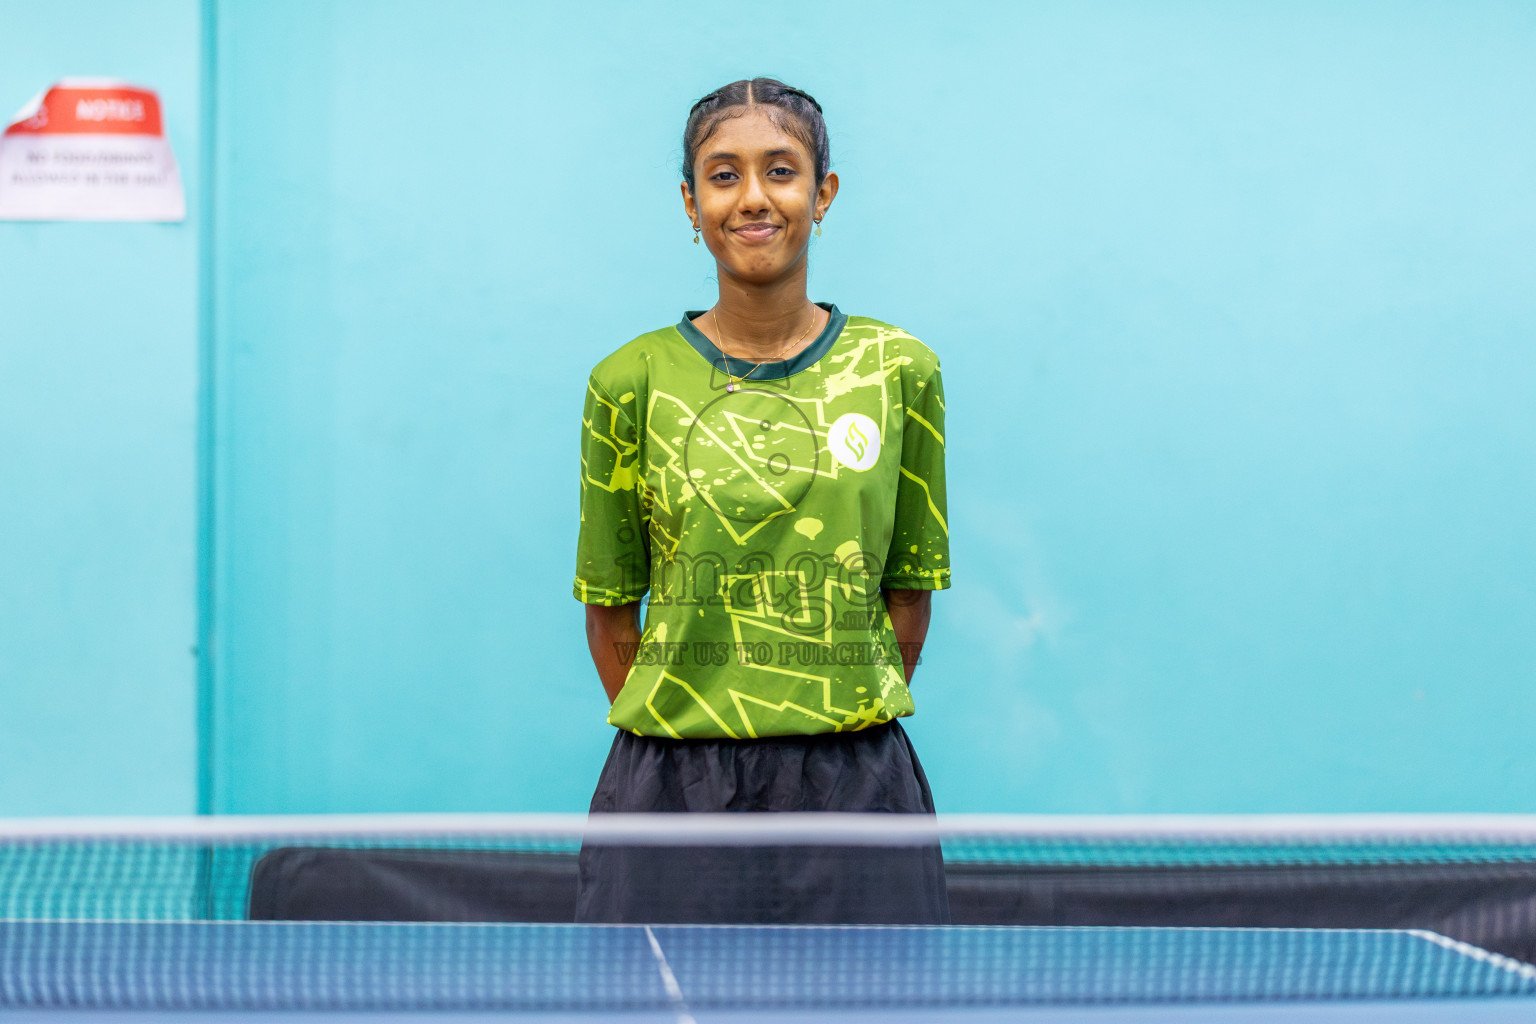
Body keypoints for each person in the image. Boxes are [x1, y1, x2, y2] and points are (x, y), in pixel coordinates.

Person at [571, 78, 951, 925]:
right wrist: (699, 727)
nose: (753, 198)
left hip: (858, 792)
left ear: (823, 194)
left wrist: (824, 719)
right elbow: (611, 614)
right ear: (690, 201)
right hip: (672, 795)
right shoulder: (626, 381)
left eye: (780, 171)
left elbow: (908, 594)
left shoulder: (900, 373)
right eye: (723, 174)